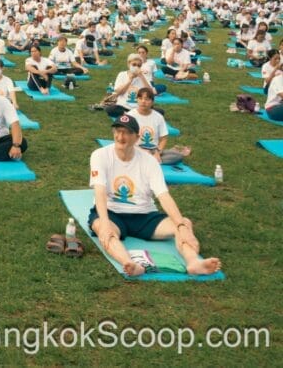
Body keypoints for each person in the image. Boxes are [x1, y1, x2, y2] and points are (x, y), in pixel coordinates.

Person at [88, 114, 222, 277]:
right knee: (103, 228)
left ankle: (193, 262)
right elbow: (100, 191)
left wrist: (181, 226)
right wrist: (104, 222)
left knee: (184, 223)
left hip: (144, 215)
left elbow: (163, 196)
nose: (120, 137)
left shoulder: (149, 161)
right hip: (112, 212)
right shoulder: (100, 155)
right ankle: (129, 263)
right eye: (117, 131)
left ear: (137, 137)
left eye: (126, 133)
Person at [126, 88, 189, 164]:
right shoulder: (130, 116)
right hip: (135, 149)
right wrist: (143, 151)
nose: (143, 101)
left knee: (178, 156)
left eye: (146, 99)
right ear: (137, 100)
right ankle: (153, 160)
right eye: (140, 98)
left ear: (152, 102)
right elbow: (127, 140)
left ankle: (152, 159)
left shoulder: (158, 117)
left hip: (153, 150)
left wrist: (158, 151)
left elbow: (163, 138)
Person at [104, 53, 156, 118]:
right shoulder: (122, 74)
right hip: (123, 106)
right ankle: (130, 115)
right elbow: (118, 92)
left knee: (159, 111)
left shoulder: (143, 76)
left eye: (139, 65)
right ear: (128, 64)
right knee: (110, 109)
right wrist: (130, 80)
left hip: (139, 107)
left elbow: (150, 93)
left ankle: (132, 115)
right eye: (134, 65)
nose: (136, 67)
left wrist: (142, 77)